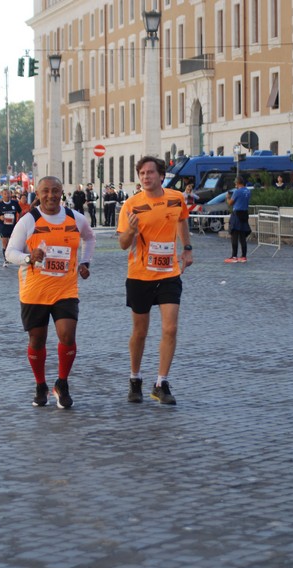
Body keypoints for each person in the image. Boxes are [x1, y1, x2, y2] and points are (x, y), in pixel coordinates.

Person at [6, 176, 96, 409]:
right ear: (38, 193)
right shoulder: (29, 220)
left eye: (55, 190)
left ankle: (62, 383)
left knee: (67, 335)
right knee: (38, 339)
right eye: (45, 191)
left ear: (62, 192)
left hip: (65, 289)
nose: (51, 195)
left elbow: (90, 237)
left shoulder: (75, 218)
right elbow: (10, 252)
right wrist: (28, 257)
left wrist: (85, 262)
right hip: (34, 291)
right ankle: (40, 385)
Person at [117, 155, 193, 406]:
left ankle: (161, 382)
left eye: (150, 172)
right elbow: (122, 244)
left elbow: (182, 219)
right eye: (142, 174)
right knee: (140, 331)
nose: (146, 177)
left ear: (161, 176)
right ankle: (135, 378)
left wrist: (187, 248)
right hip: (140, 275)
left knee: (170, 328)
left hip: (169, 273)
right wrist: (131, 229)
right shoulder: (131, 205)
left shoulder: (176, 198)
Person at [224, 175, 251, 264]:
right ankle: (243, 256)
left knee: (234, 235)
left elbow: (231, 203)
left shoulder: (237, 192)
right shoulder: (248, 191)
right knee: (242, 237)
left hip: (237, 214)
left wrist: (228, 197)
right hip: (245, 213)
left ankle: (234, 256)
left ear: (237, 183)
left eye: (235, 183)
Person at [0, 188, 22, 266]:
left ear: (11, 194)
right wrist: (0, 217)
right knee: (5, 243)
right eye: (5, 194)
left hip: (13, 227)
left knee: (13, 243)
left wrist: (19, 219)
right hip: (3, 227)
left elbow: (20, 211)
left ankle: (13, 257)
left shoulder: (15, 203)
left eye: (8, 193)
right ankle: (6, 259)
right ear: (2, 195)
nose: (7, 195)